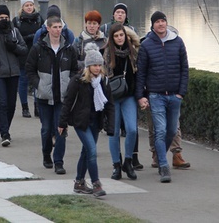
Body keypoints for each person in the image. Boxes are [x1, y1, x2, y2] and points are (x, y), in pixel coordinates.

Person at [136, 10, 189, 183]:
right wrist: (141, 96)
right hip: (156, 95)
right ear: (152, 25)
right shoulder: (146, 45)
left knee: (172, 130)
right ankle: (164, 167)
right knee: (160, 131)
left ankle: (160, 157)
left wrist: (181, 92)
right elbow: (141, 73)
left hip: (174, 95)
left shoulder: (178, 42)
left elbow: (184, 69)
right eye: (157, 21)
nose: (161, 24)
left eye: (163, 21)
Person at [58, 44, 115, 198]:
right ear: (88, 66)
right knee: (92, 151)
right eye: (94, 65)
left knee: (86, 152)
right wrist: (62, 123)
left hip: (95, 122)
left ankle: (79, 182)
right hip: (80, 122)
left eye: (99, 65)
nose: (97, 68)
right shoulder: (78, 81)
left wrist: (111, 126)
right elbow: (68, 102)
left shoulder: (104, 82)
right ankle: (96, 184)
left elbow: (109, 105)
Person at [26, 15, 79, 175]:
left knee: (61, 129)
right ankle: (46, 153)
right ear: (48, 28)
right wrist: (38, 85)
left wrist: (71, 85)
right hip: (44, 96)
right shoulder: (38, 48)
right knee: (46, 129)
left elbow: (75, 70)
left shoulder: (69, 49)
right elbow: (29, 69)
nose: (58, 30)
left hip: (62, 98)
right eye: (54, 27)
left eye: (60, 27)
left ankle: (59, 162)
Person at [0, 4, 29, 147]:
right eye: (1, 18)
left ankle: (6, 127)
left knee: (11, 104)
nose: (4, 20)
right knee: (2, 103)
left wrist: (14, 47)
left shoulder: (14, 31)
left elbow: (24, 49)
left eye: (6, 17)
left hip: (13, 72)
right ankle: (4, 134)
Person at [104, 22, 139, 180]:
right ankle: (116, 165)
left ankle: (128, 162)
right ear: (112, 38)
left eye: (122, 35)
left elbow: (138, 41)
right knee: (114, 132)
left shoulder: (133, 51)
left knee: (132, 129)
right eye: (116, 36)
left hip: (129, 95)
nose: (119, 38)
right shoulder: (107, 53)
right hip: (112, 97)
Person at [12, 0, 44, 118]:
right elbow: (15, 38)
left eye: (31, 5)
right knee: (23, 81)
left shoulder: (39, 19)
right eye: (27, 5)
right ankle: (25, 107)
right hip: (23, 55)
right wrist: (30, 37)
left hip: (38, 54)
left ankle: (37, 105)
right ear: (22, 7)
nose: (29, 7)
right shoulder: (17, 21)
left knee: (38, 81)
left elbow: (44, 34)